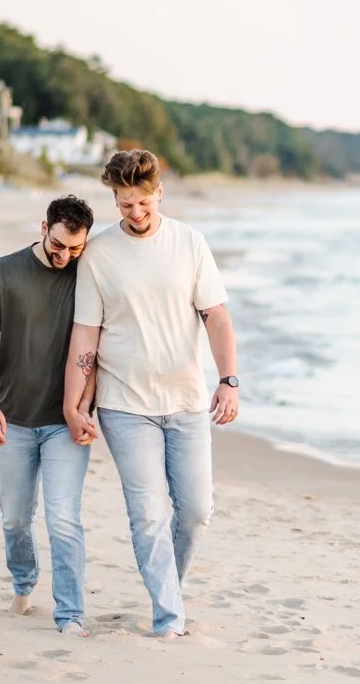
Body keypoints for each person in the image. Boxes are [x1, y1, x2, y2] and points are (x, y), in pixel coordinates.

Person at [64, 149, 237, 639]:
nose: (135, 214)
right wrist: (73, 403)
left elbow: (217, 318)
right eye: (124, 205)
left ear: (159, 192)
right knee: (148, 513)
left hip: (185, 402)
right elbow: (85, 336)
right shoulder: (98, 255)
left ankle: (169, 592)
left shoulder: (190, 243)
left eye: (142, 203)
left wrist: (229, 380)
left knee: (197, 511)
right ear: (114, 200)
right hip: (125, 405)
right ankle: (168, 617)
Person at [0, 194, 97, 638]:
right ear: (44, 229)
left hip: (65, 423)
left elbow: (96, 350)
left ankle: (71, 614)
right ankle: (23, 583)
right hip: (15, 418)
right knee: (15, 516)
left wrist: (84, 407)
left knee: (63, 517)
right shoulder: (3, 272)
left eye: (76, 248)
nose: (66, 256)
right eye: (60, 245)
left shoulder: (86, 275)